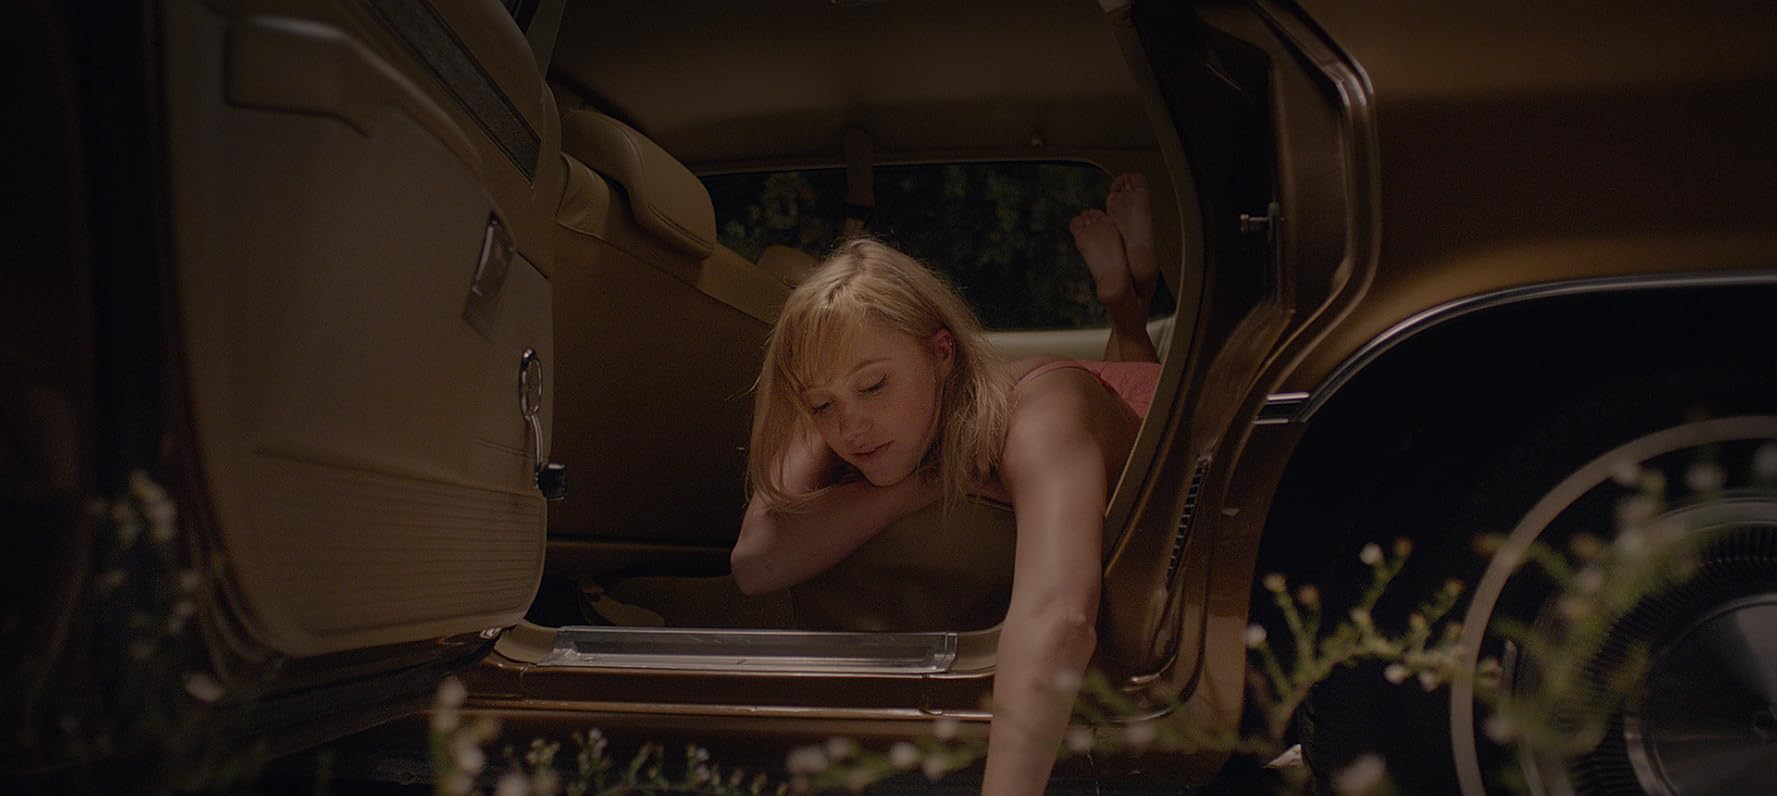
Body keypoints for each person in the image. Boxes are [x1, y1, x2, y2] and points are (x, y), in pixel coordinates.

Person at [731, 173, 1161, 794]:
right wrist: (926, 482)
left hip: (1132, 409)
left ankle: (1125, 304)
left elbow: (1058, 618)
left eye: (875, 386)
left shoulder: (1043, 415)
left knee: (1137, 367)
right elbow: (755, 561)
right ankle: (1128, 300)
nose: (849, 427)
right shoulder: (841, 391)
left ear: (942, 353)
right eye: (822, 406)